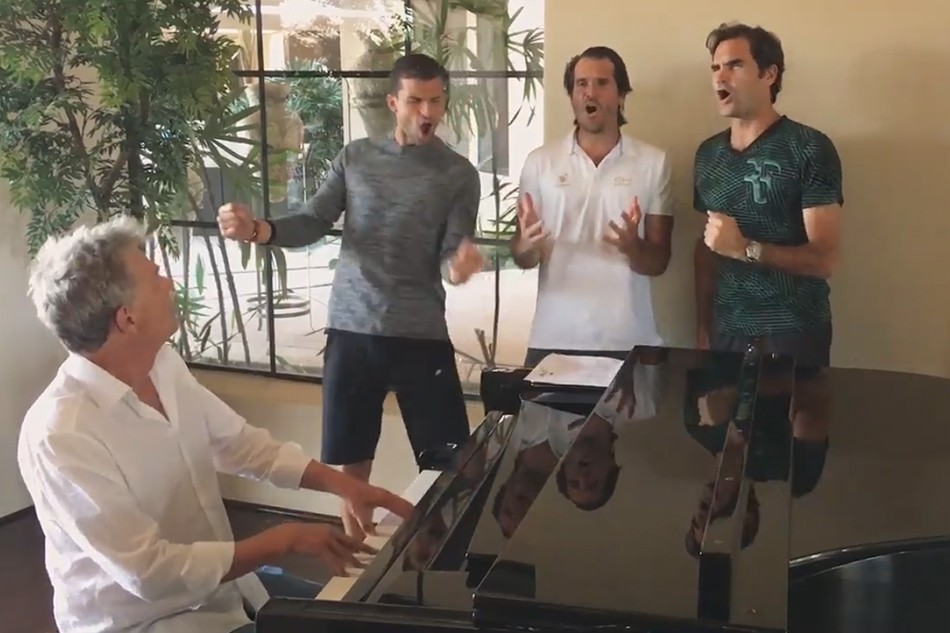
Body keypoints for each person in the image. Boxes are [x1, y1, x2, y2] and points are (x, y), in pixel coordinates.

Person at [18, 216, 415, 633]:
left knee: (370, 615)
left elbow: (240, 445)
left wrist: (344, 485)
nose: (169, 284)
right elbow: (149, 573)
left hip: (223, 590)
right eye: (155, 279)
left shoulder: (162, 364)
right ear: (127, 318)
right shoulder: (61, 433)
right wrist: (285, 540)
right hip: (149, 621)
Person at [217, 53, 484, 539]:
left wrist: (458, 266)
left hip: (420, 331)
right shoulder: (356, 157)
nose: (427, 112)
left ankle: (438, 563)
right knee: (350, 473)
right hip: (353, 328)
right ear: (393, 103)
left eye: (436, 101)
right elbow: (314, 219)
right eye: (416, 101)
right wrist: (259, 229)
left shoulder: (459, 174)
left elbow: (452, 249)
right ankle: (355, 562)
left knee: (450, 466)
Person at [510, 46, 674, 368]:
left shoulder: (654, 163)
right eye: (581, 84)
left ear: (621, 95)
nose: (590, 92)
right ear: (571, 95)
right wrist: (528, 245)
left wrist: (633, 246)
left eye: (602, 83)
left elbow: (658, 262)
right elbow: (522, 257)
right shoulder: (540, 163)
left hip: (629, 341)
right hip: (553, 338)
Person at [693, 23, 844, 370]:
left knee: (796, 410)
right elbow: (705, 250)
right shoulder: (708, 155)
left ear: (769, 74)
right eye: (715, 68)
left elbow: (825, 259)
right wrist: (702, 326)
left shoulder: (808, 147)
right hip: (727, 332)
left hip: (794, 331)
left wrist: (746, 249)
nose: (720, 77)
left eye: (735, 65)